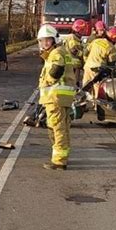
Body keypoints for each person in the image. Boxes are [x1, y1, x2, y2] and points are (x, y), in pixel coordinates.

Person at [37, 24, 76, 170]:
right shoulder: (61, 51)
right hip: (62, 97)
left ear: (54, 40)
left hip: (55, 97)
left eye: (47, 40)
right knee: (63, 127)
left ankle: (59, 161)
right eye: (42, 41)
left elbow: (55, 71)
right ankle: (62, 156)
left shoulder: (56, 53)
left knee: (56, 128)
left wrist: (46, 82)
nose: (44, 43)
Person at [83, 25, 116, 97]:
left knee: (86, 88)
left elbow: (85, 52)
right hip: (98, 70)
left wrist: (87, 62)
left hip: (87, 67)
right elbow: (111, 64)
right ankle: (95, 107)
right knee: (97, 89)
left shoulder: (96, 41)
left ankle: (85, 105)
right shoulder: (111, 47)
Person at [63, 19, 87, 85]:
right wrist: (83, 54)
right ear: (78, 30)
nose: (83, 32)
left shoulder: (76, 38)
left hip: (75, 64)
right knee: (72, 81)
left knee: (75, 81)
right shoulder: (72, 37)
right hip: (72, 64)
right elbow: (73, 50)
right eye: (82, 30)